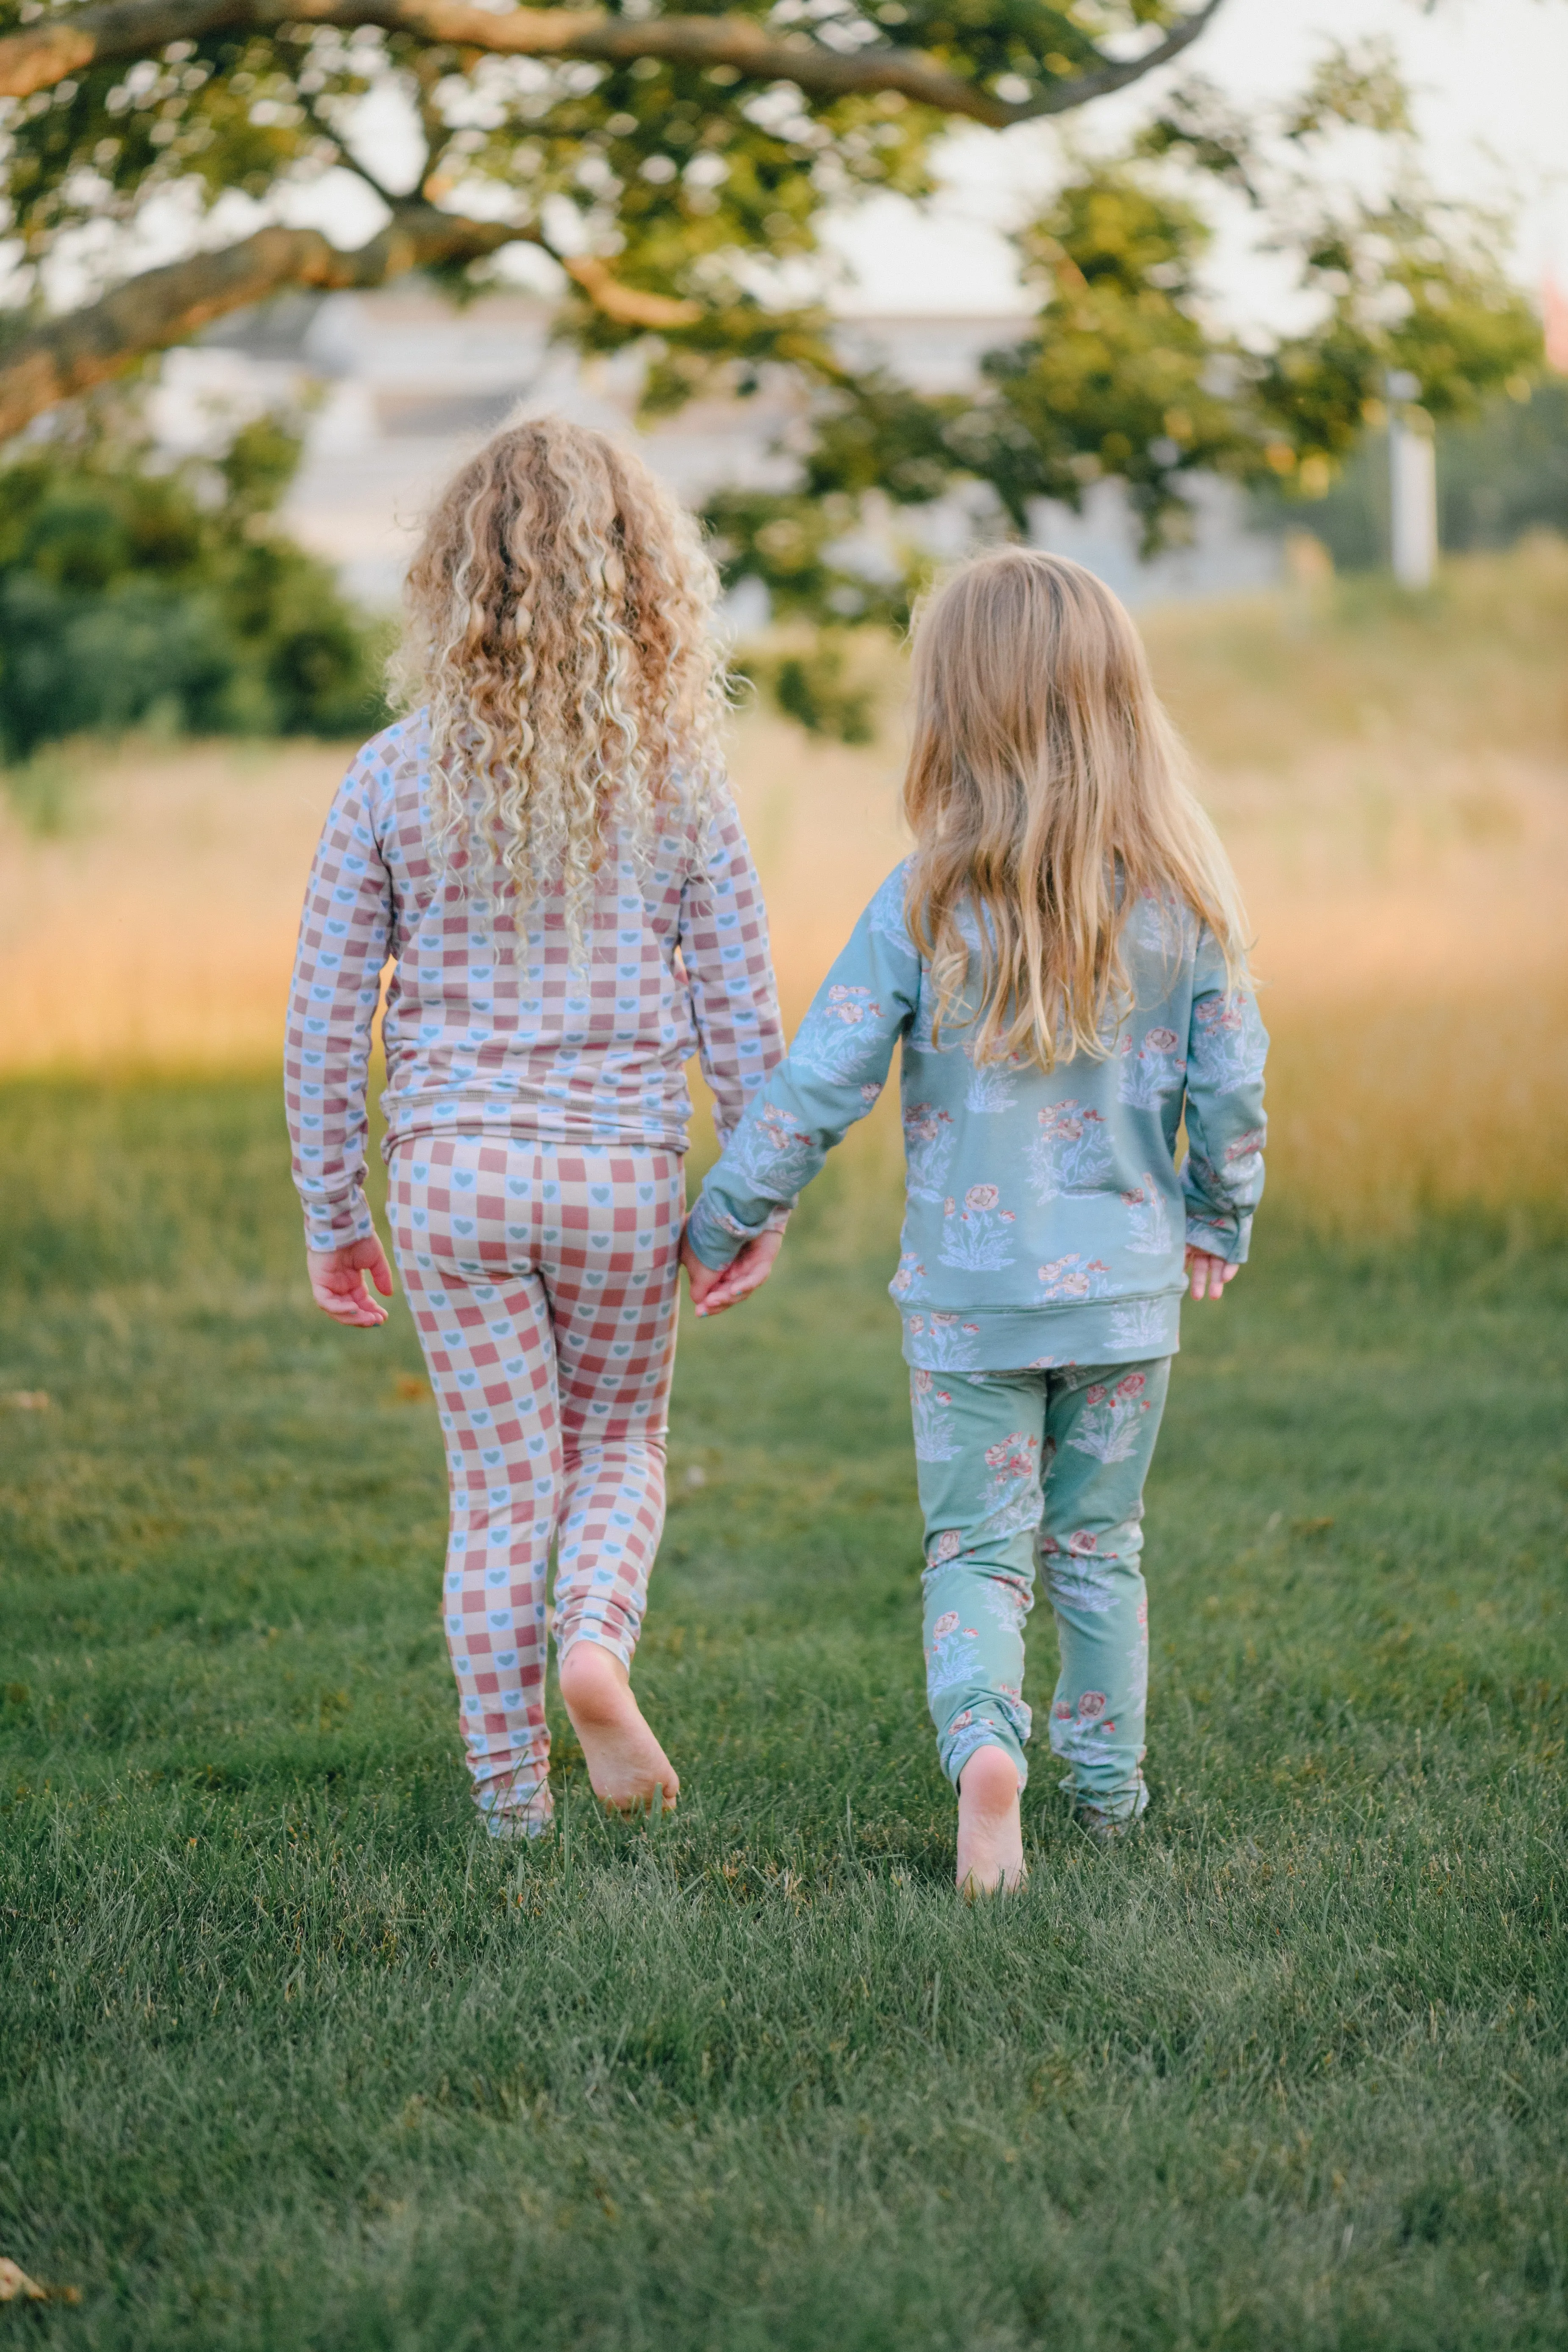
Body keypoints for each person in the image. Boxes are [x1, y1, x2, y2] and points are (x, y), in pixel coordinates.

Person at [681, 548, 1267, 1894]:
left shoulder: (925, 896)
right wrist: (1217, 1220)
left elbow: (819, 1078)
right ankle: (1107, 1791)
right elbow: (1236, 1082)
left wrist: (726, 1216)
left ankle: (982, 1744)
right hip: (1123, 1293)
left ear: (954, 710)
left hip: (966, 1302)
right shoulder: (1187, 894)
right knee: (1097, 1543)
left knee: (976, 1547)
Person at [284, 414, 784, 1839]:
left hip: (452, 1184)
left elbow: (323, 1020)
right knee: (620, 1441)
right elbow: (744, 1018)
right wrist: (749, 1204)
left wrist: (336, 1217)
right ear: (644, 582)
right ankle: (594, 1649)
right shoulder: (681, 781)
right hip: (619, 1181)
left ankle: (514, 1811)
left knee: (502, 1489)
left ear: (453, 579)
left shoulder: (389, 776)